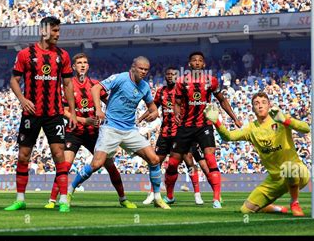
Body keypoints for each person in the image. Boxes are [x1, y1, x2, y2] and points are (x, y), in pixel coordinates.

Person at [70, 56, 171, 209]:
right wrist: (98, 109)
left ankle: (157, 197)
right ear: (133, 67)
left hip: (130, 130)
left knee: (154, 159)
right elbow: (95, 88)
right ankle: (70, 189)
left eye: (146, 69)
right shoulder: (120, 78)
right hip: (111, 128)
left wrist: (153, 114)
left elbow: (153, 108)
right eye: (141, 68)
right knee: (97, 164)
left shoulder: (144, 87)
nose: (143, 72)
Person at [5, 16, 78, 213]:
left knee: (58, 154)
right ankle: (20, 199)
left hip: (54, 113)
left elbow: (68, 84)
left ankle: (63, 199)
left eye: (58, 31)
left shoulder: (63, 55)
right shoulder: (25, 54)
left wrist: (70, 111)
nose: (57, 35)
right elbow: (14, 80)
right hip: (31, 113)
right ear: (43, 31)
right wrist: (22, 99)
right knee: (23, 155)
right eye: (54, 31)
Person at [45, 53, 136, 209]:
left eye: (85, 62)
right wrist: (83, 120)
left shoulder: (95, 85)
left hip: (94, 133)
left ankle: (123, 199)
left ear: (88, 66)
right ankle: (53, 201)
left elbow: (110, 102)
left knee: (110, 166)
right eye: (79, 63)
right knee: (64, 166)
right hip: (74, 132)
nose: (82, 65)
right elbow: (65, 111)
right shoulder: (67, 85)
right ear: (73, 67)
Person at [204, 92, 310, 216]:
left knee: (289, 168)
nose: (260, 106)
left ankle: (294, 203)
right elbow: (228, 136)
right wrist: (216, 122)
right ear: (253, 108)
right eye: (256, 103)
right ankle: (275, 208)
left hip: (298, 173)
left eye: (264, 103)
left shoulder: (279, 118)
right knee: (246, 210)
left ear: (269, 105)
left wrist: (286, 120)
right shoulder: (251, 129)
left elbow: (306, 128)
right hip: (275, 180)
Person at [164, 51, 242, 208]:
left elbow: (222, 100)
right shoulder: (181, 82)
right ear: (189, 64)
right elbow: (177, 102)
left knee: (210, 159)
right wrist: (177, 114)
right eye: (194, 60)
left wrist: (234, 118)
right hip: (185, 126)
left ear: (204, 64)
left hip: (204, 126)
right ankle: (170, 196)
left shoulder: (211, 81)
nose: (197, 62)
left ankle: (216, 199)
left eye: (200, 60)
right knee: (172, 163)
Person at [141, 67, 205, 206]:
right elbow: (153, 108)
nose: (170, 76)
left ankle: (197, 194)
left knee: (189, 161)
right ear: (165, 76)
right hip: (165, 133)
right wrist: (140, 118)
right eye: (168, 74)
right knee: (155, 162)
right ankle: (153, 193)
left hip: (181, 133)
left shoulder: (184, 90)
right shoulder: (161, 92)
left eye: (173, 74)